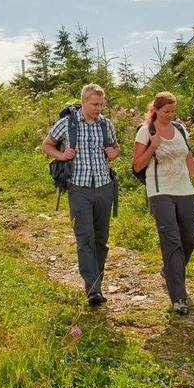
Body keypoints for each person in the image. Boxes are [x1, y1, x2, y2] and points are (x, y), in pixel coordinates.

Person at [132, 91, 194, 315]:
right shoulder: (145, 131)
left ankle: (169, 271)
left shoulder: (180, 129)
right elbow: (138, 165)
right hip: (160, 192)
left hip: (184, 190)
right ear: (156, 110)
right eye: (166, 111)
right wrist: (153, 146)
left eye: (173, 111)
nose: (170, 115)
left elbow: (189, 159)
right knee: (172, 241)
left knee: (189, 237)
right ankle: (178, 297)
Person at [41, 83, 121, 307]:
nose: (98, 108)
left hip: (104, 187)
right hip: (79, 188)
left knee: (101, 239)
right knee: (84, 237)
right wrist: (61, 155)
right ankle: (93, 289)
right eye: (95, 104)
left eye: (101, 104)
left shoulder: (106, 124)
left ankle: (97, 282)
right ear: (84, 102)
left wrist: (114, 152)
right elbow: (46, 145)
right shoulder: (67, 124)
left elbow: (116, 148)